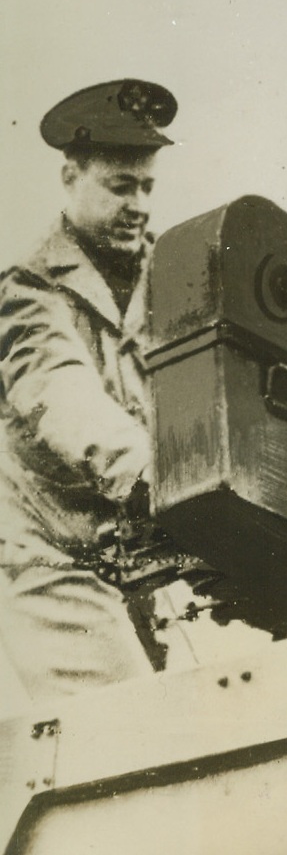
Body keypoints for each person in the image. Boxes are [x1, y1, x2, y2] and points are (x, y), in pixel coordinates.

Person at [0, 79, 177, 701]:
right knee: (126, 728)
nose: (140, 205)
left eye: (147, 187)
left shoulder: (173, 277)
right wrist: (152, 471)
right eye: (121, 186)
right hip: (57, 559)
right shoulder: (27, 293)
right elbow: (58, 389)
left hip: (146, 558)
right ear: (70, 177)